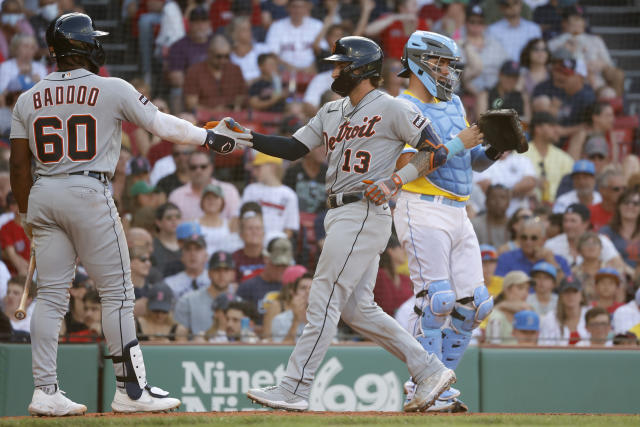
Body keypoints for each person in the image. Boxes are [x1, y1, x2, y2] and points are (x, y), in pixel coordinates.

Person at [9, 12, 251, 416]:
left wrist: (24, 213)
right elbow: (162, 126)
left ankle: (45, 391)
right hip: (89, 188)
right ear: (84, 45)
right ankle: (131, 391)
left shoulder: (26, 97)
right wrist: (209, 137)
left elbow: (18, 168)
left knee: (50, 298)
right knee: (118, 294)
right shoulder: (112, 87)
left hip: (44, 192)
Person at [242, 35, 485, 412]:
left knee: (323, 299)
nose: (334, 70)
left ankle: (294, 386)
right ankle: (430, 369)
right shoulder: (331, 110)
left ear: (360, 69)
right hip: (339, 212)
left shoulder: (392, 107)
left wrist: (395, 181)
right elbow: (293, 148)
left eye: (341, 65)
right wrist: (247, 137)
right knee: (358, 310)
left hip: (363, 210)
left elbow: (433, 149)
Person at [390, 30, 510, 412]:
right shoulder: (401, 106)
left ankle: (438, 389)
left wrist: (493, 150)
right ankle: (420, 386)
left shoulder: (455, 102)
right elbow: (406, 165)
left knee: (477, 305)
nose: (447, 71)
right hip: (420, 205)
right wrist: (462, 141)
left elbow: (466, 162)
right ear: (420, 63)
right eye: (441, 63)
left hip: (459, 209)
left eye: (449, 65)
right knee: (437, 300)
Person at [174, 251, 236, 338]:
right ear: (209, 273)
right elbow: (179, 339)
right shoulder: (188, 301)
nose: (222, 275)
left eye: (226, 270)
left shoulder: (239, 302)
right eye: (217, 270)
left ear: (233, 274)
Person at [168, 151, 241, 222]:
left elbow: (236, 222)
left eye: (203, 167)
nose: (198, 171)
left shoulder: (229, 191)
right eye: (193, 167)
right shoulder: (176, 196)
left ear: (211, 168)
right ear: (188, 170)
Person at [545, 204, 622, 268]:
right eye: (565, 220)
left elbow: (618, 265)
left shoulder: (601, 241)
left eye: (573, 221)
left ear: (585, 224)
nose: (567, 225)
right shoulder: (551, 244)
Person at [242, 152, 300, 238]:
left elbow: (289, 229)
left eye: (258, 167)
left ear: (272, 167)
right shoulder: (251, 190)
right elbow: (240, 219)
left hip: (275, 244)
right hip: (252, 240)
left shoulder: (289, 195)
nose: (254, 172)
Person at [184, 34, 247, 112]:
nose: (223, 60)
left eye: (226, 56)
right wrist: (214, 111)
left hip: (232, 118)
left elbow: (242, 95)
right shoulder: (194, 71)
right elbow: (191, 105)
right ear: (209, 53)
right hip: (204, 120)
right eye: (218, 56)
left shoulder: (235, 69)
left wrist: (237, 105)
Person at [166, 7, 212, 113]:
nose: (200, 25)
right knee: (176, 91)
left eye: (203, 21)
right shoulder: (178, 46)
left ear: (209, 23)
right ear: (189, 24)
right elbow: (176, 79)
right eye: (196, 22)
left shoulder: (215, 43)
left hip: (213, 89)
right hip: (190, 91)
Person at [523, 112, 574, 203]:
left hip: (558, 210)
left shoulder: (565, 159)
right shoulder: (520, 154)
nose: (557, 130)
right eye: (551, 126)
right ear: (538, 129)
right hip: (527, 206)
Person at [459, 4, 509, 96]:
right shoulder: (459, 44)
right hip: (467, 93)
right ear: (466, 23)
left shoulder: (495, 44)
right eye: (472, 22)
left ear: (485, 25)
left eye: (480, 22)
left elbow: (506, 66)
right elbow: (458, 76)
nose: (476, 25)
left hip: (495, 92)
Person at [495, 217, 571, 278]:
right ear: (519, 239)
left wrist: (551, 262)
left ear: (543, 240)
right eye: (524, 237)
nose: (528, 242)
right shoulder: (505, 259)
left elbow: (567, 287)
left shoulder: (559, 260)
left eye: (534, 238)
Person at [236, 237, 292, 314]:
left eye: (285, 265)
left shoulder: (292, 287)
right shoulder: (248, 287)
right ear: (266, 259)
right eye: (277, 264)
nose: (281, 270)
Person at [265, 0, 323, 71]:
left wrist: (313, 67)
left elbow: (322, 51)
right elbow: (272, 54)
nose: (298, 10)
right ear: (287, 8)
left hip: (313, 70)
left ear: (307, 8)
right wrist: (291, 69)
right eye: (294, 7)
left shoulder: (317, 25)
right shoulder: (276, 26)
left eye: (301, 7)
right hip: (284, 71)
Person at [538, 276, 589, 346]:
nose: (571, 295)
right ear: (560, 296)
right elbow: (544, 347)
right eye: (566, 292)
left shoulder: (591, 314)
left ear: (581, 295)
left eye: (574, 291)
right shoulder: (550, 318)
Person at [164, 222, 211, 299]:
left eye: (197, 249)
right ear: (182, 257)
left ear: (206, 256)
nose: (193, 254)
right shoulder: (169, 284)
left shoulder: (215, 281)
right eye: (188, 249)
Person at [485, 270, 532, 345]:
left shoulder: (529, 312)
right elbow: (493, 351)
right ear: (507, 290)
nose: (525, 293)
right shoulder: (496, 316)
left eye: (527, 289)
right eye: (520, 288)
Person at [373, 234, 413, 317]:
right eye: (401, 248)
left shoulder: (405, 279)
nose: (404, 252)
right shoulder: (378, 276)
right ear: (391, 251)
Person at [198, 184, 243, 255]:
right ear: (202, 201)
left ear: (222, 201)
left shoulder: (230, 225)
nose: (211, 201)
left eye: (215, 197)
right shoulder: (193, 224)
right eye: (208, 198)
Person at [600, 189, 640, 268]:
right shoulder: (606, 232)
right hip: (614, 277)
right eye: (626, 202)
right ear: (618, 206)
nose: (630, 206)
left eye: (635, 204)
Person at [283, 145, 327, 214]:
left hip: (320, 221)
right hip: (296, 217)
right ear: (307, 151)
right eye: (319, 147)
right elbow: (286, 198)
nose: (324, 150)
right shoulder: (293, 171)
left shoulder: (329, 173)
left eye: (325, 147)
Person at [271, 273, 313, 343]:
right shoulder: (280, 319)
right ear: (294, 293)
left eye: (312, 288)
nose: (308, 292)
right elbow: (281, 350)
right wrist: (296, 320)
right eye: (303, 288)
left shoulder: (325, 318)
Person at [232, 209, 266, 282]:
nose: (254, 232)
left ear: (263, 233)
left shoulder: (270, 258)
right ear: (241, 234)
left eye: (258, 228)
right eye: (250, 228)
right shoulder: (234, 258)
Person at [151, 203, 183, 277]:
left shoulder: (188, 244)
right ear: (158, 223)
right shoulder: (152, 246)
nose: (174, 221)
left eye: (178, 217)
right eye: (169, 218)